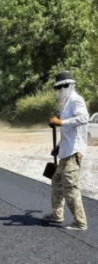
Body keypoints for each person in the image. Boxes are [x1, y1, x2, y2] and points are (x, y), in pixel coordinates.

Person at [43, 71, 89, 230]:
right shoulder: (66, 103)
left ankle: (80, 222)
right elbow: (68, 132)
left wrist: (61, 122)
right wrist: (58, 147)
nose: (60, 90)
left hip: (73, 152)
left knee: (70, 188)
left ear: (68, 85)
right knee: (56, 182)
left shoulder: (76, 100)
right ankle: (57, 215)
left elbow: (84, 118)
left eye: (62, 86)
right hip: (65, 151)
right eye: (58, 87)